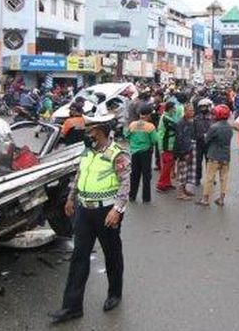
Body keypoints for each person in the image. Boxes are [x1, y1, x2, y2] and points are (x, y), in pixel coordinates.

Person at [50, 116, 130, 324]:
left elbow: (125, 184)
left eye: (90, 131)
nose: (87, 134)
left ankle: (114, 293)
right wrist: (70, 198)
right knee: (79, 256)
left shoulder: (117, 154)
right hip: (84, 212)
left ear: (102, 131)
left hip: (106, 213)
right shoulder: (87, 152)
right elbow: (79, 175)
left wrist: (117, 210)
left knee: (112, 254)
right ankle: (72, 307)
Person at [197, 105, 233, 207]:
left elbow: (206, 140)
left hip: (214, 155)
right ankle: (221, 199)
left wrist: (205, 136)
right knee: (224, 178)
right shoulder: (230, 127)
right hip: (226, 156)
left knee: (209, 178)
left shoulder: (214, 127)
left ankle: (205, 199)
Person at [126, 104, 158, 203]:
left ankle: (132, 196)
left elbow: (127, 135)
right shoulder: (150, 126)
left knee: (134, 175)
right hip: (146, 153)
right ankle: (146, 198)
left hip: (134, 153)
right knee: (146, 176)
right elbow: (155, 140)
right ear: (148, 115)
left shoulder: (132, 124)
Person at [174, 104, 196, 201]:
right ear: (185, 111)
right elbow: (179, 139)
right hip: (182, 151)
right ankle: (180, 193)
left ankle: (184, 190)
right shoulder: (180, 123)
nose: (192, 112)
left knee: (187, 171)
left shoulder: (190, 122)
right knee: (182, 172)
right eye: (190, 111)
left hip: (189, 149)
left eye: (193, 111)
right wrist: (184, 153)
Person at [156, 102, 177, 192]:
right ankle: (160, 184)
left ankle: (167, 183)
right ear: (170, 108)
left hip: (169, 145)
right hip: (166, 145)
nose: (175, 110)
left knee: (169, 165)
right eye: (174, 108)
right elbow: (176, 127)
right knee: (167, 166)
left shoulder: (166, 117)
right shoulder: (166, 118)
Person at [193, 98, 213, 186]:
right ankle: (197, 178)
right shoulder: (196, 118)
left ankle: (210, 178)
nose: (203, 109)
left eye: (204, 107)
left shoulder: (213, 118)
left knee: (210, 162)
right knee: (198, 161)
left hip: (210, 144)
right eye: (201, 107)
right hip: (199, 143)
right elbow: (193, 131)